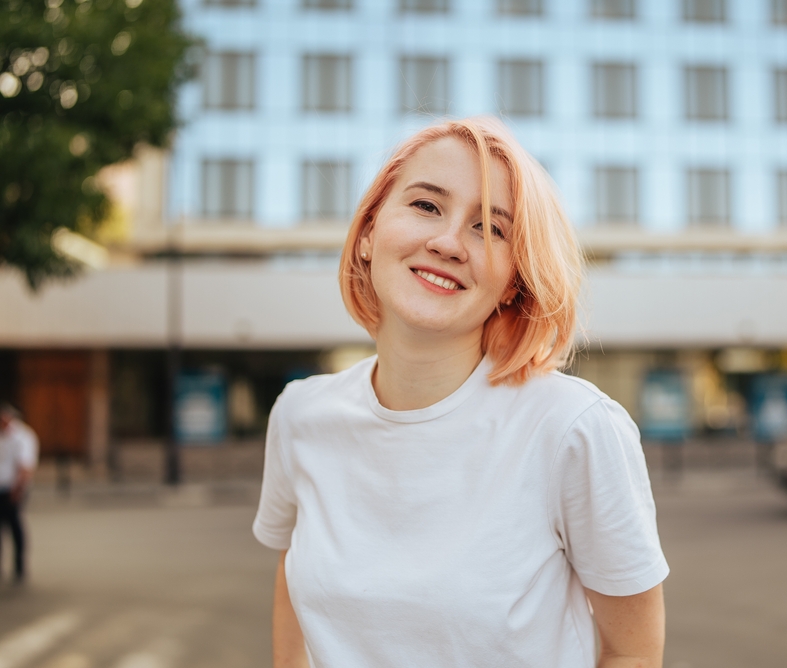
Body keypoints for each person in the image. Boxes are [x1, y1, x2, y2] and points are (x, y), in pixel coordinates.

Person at [253, 117, 669, 667]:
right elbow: (293, 571)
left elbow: (632, 654)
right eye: (426, 206)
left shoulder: (574, 428)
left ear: (514, 281)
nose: (448, 242)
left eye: (490, 229)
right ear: (371, 231)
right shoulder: (300, 415)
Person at [0, 403, 38, 583]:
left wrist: (18, 489)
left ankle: (19, 567)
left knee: (14, 525)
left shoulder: (22, 436)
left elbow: (25, 466)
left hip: (12, 488)